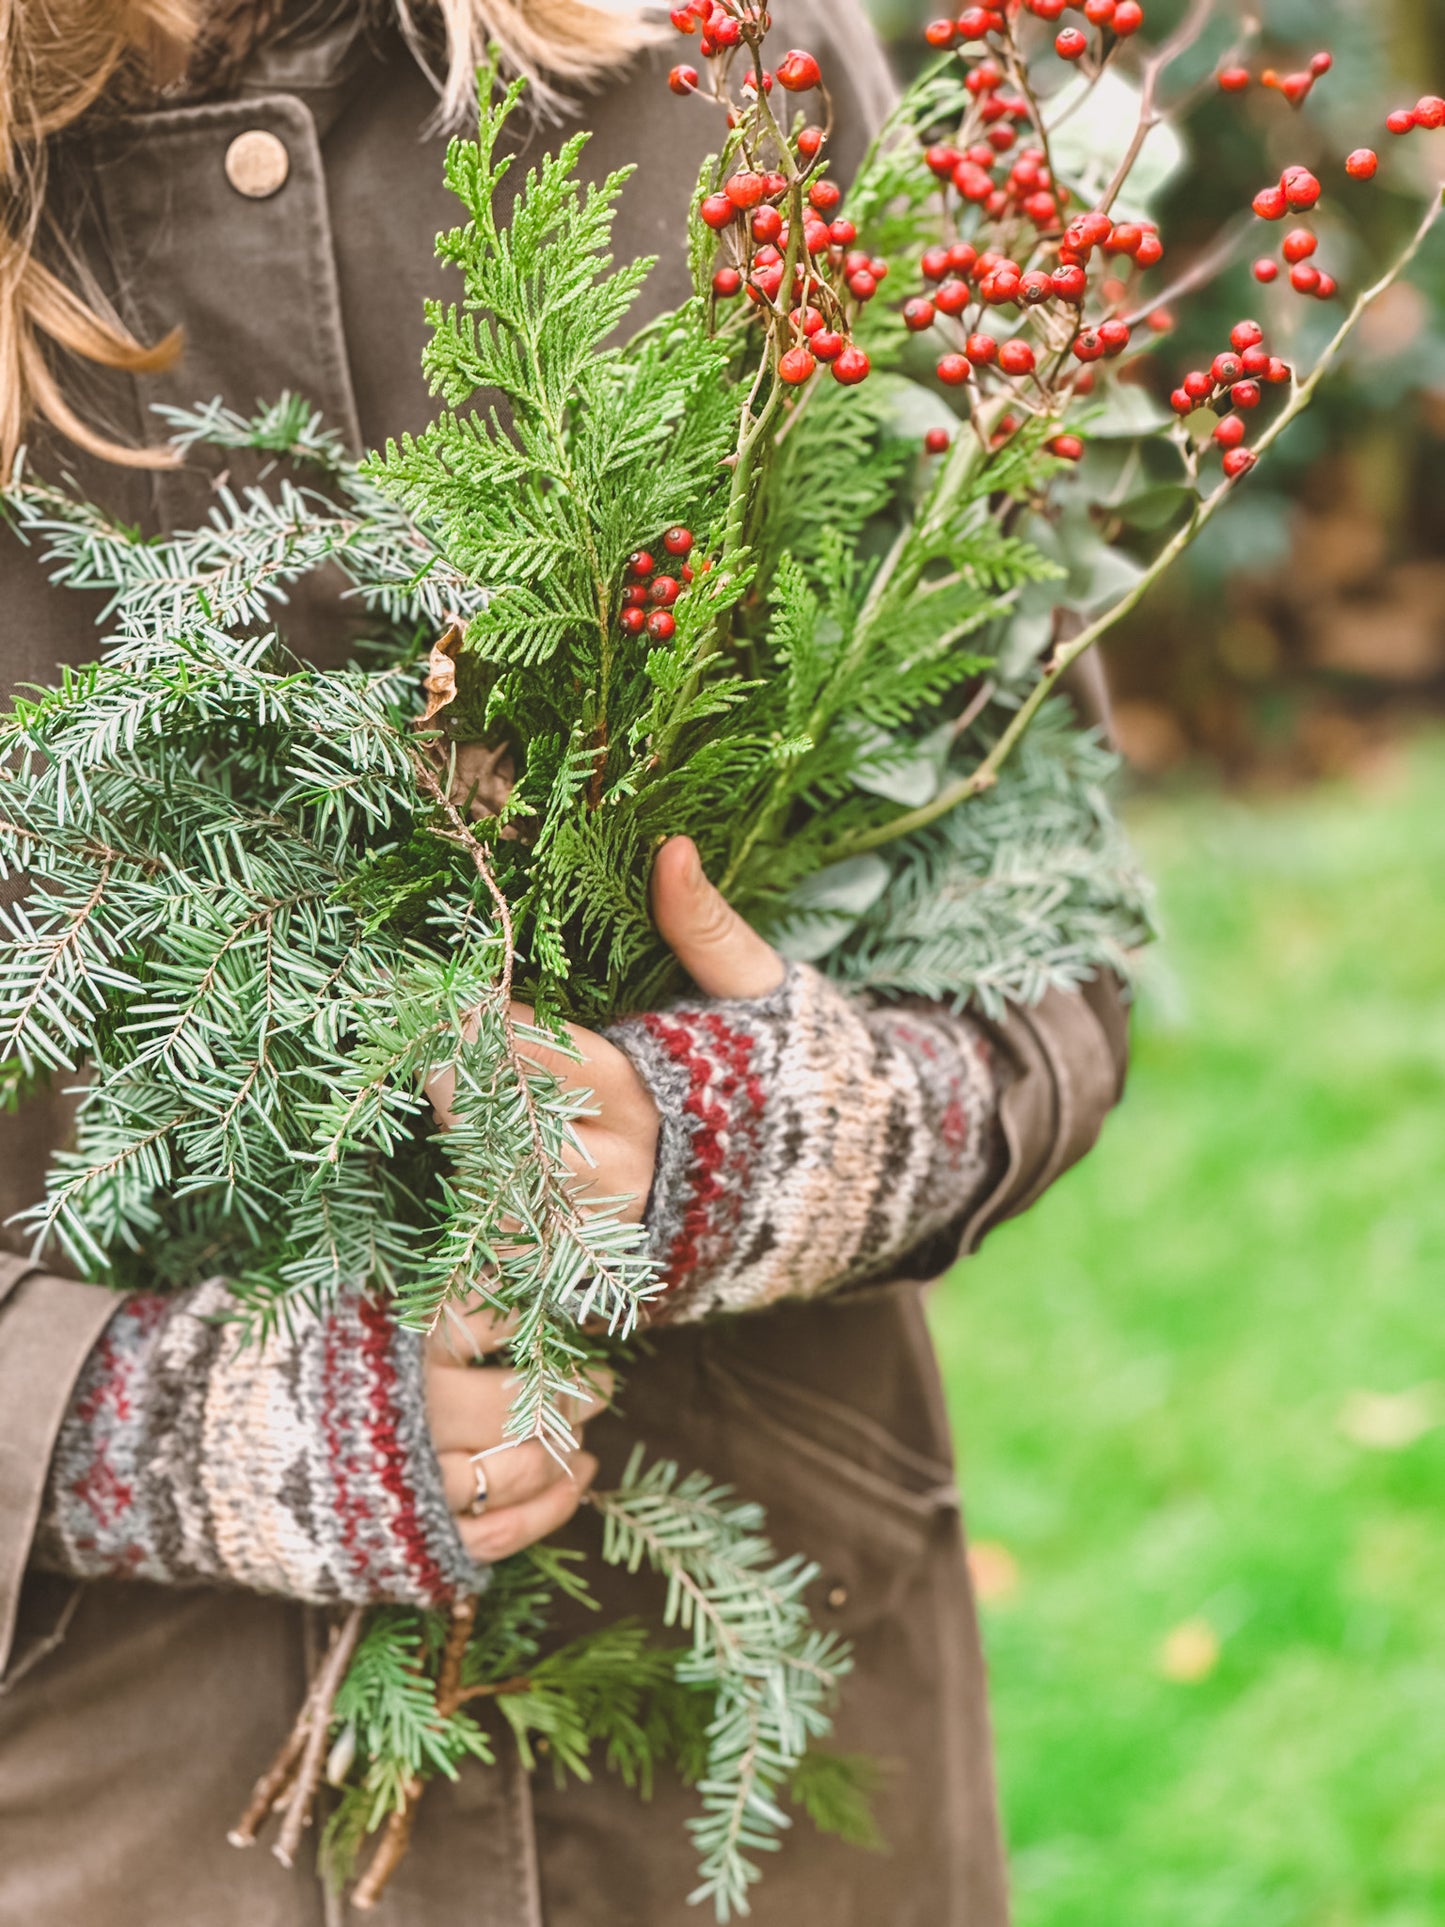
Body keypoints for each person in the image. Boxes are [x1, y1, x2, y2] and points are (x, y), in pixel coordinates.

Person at [0, 2, 1129, 1922]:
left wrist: (775, 1135)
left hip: (737, 1751)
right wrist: (136, 1430)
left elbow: (1042, 912)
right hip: (124, 1804)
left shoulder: (723, 54)